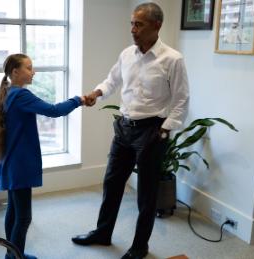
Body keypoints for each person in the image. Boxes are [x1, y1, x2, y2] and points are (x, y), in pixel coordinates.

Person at [72, 3, 189, 259]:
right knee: (112, 183)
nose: (133, 29)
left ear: (156, 26)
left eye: (139, 24)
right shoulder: (127, 54)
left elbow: (181, 100)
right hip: (124, 128)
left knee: (146, 194)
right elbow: (112, 80)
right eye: (132, 24)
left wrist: (165, 131)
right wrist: (97, 93)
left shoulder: (172, 59)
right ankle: (103, 233)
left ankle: (140, 247)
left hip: (151, 131)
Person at [0, 53, 84, 259]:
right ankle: (16, 257)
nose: (34, 72)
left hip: (12, 162)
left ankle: (12, 254)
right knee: (23, 217)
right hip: (20, 164)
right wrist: (79, 100)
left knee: (13, 211)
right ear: (15, 72)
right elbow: (54, 110)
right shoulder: (20, 95)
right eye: (29, 68)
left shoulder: (8, 92)